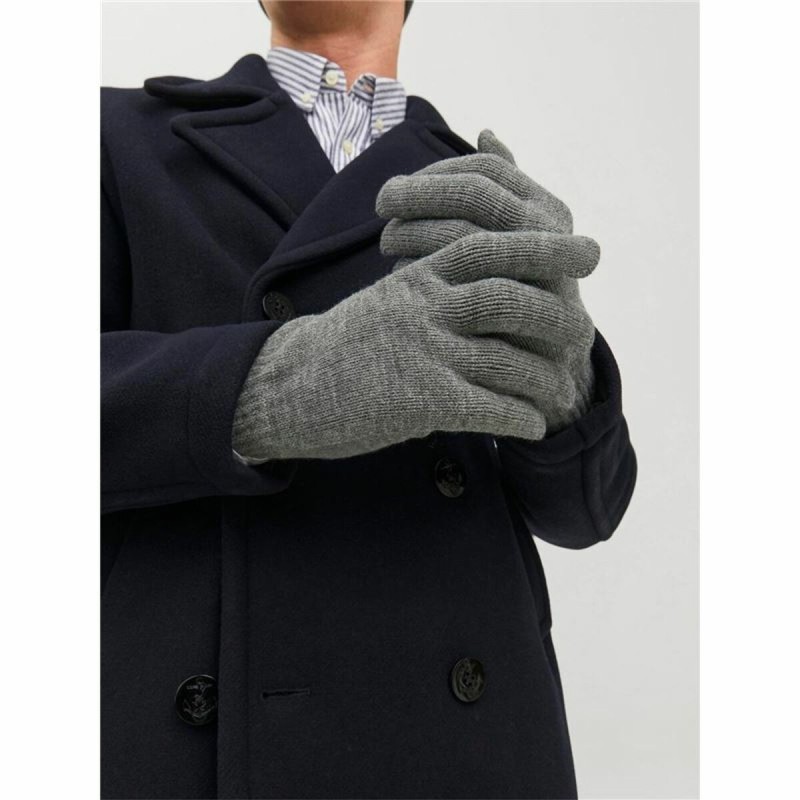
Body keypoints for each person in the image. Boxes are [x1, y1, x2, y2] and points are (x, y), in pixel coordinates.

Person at [101, 1, 637, 797]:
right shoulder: (115, 134)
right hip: (198, 726)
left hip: (474, 742)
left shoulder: (481, 184)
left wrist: (567, 380)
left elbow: (587, 514)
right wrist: (281, 382)